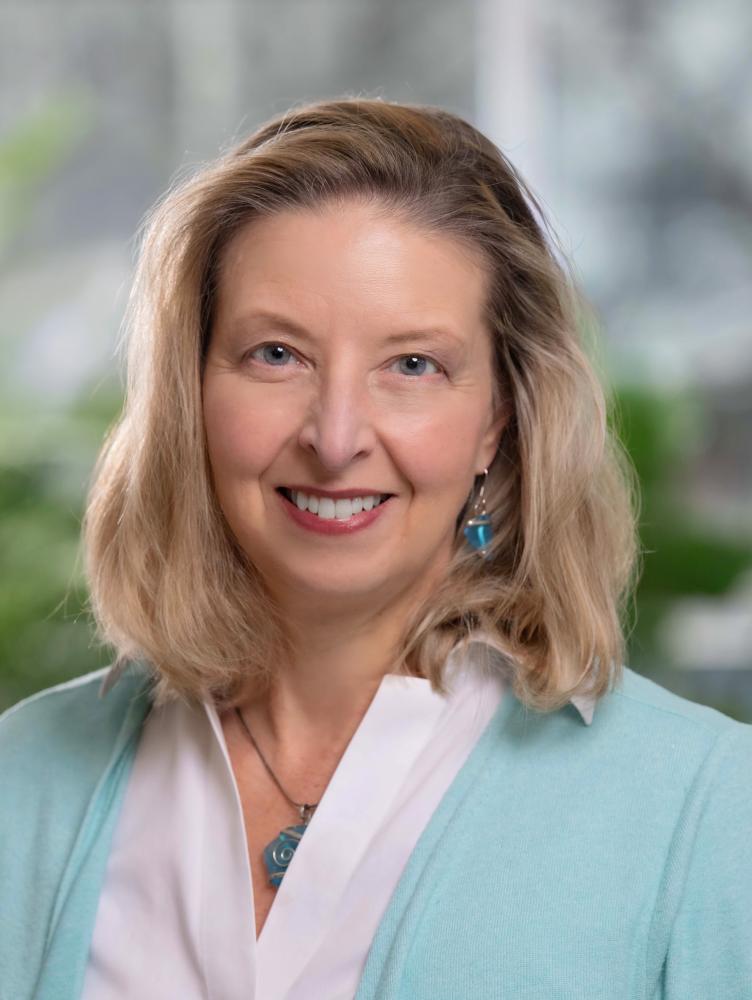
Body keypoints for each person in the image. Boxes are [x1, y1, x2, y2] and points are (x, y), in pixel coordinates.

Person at [1, 97, 750, 1000]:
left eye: (413, 365)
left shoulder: (705, 810)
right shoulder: (23, 777)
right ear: (190, 395)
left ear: (496, 425)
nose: (337, 435)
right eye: (277, 354)